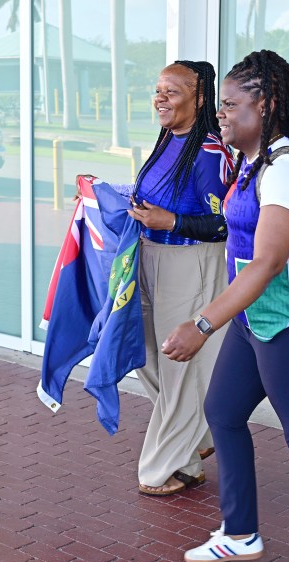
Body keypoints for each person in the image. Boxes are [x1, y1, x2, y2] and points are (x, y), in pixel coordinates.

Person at [161, 50, 289, 562]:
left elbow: (267, 262)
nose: (220, 114)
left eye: (231, 105)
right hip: (255, 319)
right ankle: (240, 532)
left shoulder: (286, 168)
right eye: (219, 106)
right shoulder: (252, 160)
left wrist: (202, 323)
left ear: (265, 106)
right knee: (222, 412)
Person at [110, 60, 234, 496]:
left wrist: (173, 221)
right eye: (158, 90)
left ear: (199, 100)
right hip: (149, 258)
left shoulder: (210, 152)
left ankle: (165, 467)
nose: (160, 98)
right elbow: (154, 195)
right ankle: (199, 435)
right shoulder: (168, 140)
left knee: (180, 366)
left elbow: (225, 223)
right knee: (144, 353)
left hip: (189, 263)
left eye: (172, 91)